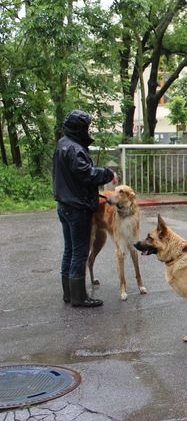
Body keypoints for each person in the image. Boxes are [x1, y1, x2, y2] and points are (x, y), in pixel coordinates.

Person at [53, 110, 118, 308]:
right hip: (77, 208)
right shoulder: (74, 149)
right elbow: (86, 174)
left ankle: (69, 293)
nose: (88, 130)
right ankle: (79, 297)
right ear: (79, 128)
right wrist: (108, 174)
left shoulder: (62, 144)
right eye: (86, 126)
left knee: (69, 250)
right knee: (79, 252)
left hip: (65, 204)